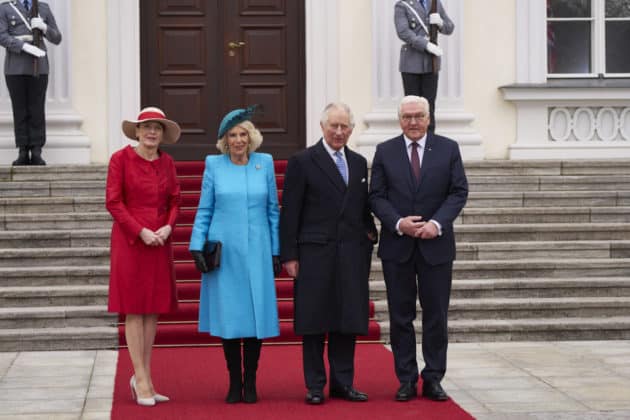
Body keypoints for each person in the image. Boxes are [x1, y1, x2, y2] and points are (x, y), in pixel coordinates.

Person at [369, 95, 468, 402]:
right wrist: (399, 223)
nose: (413, 122)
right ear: (400, 120)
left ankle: (434, 377)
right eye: (407, 116)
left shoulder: (448, 149)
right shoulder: (385, 151)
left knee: (436, 315)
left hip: (436, 246)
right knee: (400, 317)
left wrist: (436, 224)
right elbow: (376, 196)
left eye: (418, 116)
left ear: (428, 118)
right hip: (397, 246)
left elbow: (458, 191)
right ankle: (407, 378)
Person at [280, 102, 378, 405]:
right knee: (313, 321)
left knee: (347, 319)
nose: (339, 131)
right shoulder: (303, 161)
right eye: (333, 126)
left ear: (351, 129)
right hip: (314, 253)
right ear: (322, 127)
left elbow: (362, 207)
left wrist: (369, 235)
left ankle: (342, 383)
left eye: (344, 126)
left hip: (351, 253)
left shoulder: (359, 163)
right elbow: (290, 211)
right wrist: (289, 255)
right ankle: (314, 385)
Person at [189, 106, 281, 404]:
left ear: (251, 137)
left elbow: (272, 211)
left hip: (257, 251)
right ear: (225, 140)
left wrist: (276, 250)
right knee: (230, 316)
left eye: (243, 134)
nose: (239, 140)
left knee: (254, 317)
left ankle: (251, 381)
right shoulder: (214, 165)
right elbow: (205, 208)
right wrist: (196, 245)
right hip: (224, 252)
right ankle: (234, 383)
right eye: (233, 135)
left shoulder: (264, 163)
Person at [106, 107, 181, 407]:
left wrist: (167, 227)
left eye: (157, 128)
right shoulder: (120, 160)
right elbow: (113, 202)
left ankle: (144, 377)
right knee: (135, 309)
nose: (152, 132)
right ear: (136, 131)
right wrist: (140, 231)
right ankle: (141, 377)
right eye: (147, 127)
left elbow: (175, 199)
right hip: (131, 242)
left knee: (152, 309)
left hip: (159, 242)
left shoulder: (167, 163)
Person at [0, 0, 62, 165]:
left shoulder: (43, 8)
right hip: (16, 66)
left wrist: (44, 28)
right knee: (20, 109)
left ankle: (36, 150)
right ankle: (22, 150)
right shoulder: (5, 8)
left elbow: (57, 38)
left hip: (39, 66)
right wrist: (23, 47)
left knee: (37, 109)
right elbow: (2, 35)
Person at [395, 0, 453, 133]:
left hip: (430, 62)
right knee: (411, 107)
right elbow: (403, 32)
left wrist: (441, 23)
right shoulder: (402, 5)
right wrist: (426, 45)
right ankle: (412, 140)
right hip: (411, 62)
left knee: (429, 107)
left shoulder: (435, 3)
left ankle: (429, 142)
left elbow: (450, 28)